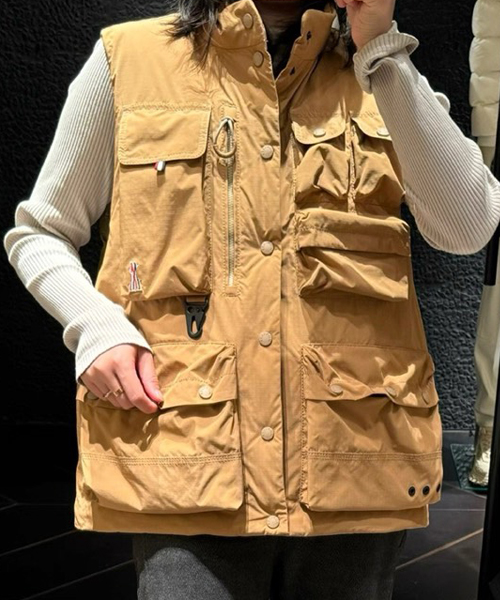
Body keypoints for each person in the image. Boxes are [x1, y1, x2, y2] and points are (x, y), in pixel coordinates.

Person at [4, 0, 500, 598]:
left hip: (353, 463)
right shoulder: (128, 61)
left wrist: (381, 49)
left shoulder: (380, 72)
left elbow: (468, 226)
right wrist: (94, 325)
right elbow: (41, 231)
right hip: (189, 463)